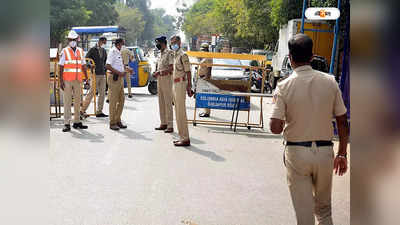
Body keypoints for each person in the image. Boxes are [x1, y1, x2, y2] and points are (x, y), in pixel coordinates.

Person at [269, 33, 349, 225]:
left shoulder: (284, 86)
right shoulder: (330, 82)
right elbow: (342, 121)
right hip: (324, 153)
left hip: (297, 154)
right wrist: (342, 154)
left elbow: (275, 127)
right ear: (312, 57)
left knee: (304, 216)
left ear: (290, 58)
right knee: (324, 211)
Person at [59, 30, 89, 132]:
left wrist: (87, 78)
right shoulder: (65, 51)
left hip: (78, 80)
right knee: (67, 102)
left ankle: (77, 122)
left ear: (77, 40)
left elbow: (83, 65)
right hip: (67, 80)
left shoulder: (80, 51)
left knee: (77, 102)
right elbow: (61, 66)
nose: (72, 41)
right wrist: (60, 81)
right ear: (68, 40)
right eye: (71, 39)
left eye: (74, 39)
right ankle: (67, 123)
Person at [170, 35, 192, 146]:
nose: (172, 45)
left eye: (174, 42)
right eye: (171, 43)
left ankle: (185, 138)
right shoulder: (174, 55)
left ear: (179, 43)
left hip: (181, 84)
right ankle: (182, 136)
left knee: (181, 112)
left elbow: (188, 72)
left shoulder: (183, 55)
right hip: (175, 84)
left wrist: (189, 86)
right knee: (177, 112)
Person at [106, 38, 132, 131]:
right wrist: (119, 73)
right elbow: (108, 65)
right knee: (113, 101)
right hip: (114, 78)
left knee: (122, 100)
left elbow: (120, 65)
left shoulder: (119, 52)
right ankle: (112, 122)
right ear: (118, 44)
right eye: (122, 44)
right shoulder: (112, 52)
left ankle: (117, 120)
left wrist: (128, 69)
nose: (123, 46)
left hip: (120, 78)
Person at [80, 36, 108, 118]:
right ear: (100, 41)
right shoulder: (92, 49)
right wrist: (90, 65)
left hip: (102, 73)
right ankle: (82, 110)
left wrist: (104, 69)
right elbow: (86, 60)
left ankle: (99, 111)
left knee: (102, 93)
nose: (104, 44)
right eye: (104, 42)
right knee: (91, 92)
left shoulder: (104, 50)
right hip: (95, 74)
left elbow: (105, 61)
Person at [154, 36, 175, 133]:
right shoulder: (160, 54)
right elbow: (158, 66)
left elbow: (171, 68)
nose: (157, 45)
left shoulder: (169, 53)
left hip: (167, 79)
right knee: (161, 102)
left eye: (158, 43)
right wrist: (156, 72)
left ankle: (170, 125)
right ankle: (163, 123)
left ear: (163, 43)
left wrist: (161, 72)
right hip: (159, 80)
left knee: (167, 103)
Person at [198, 43, 213, 118]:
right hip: (202, 77)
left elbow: (209, 69)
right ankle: (205, 111)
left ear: (207, 49)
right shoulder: (205, 57)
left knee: (206, 96)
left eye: (204, 49)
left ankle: (207, 112)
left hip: (205, 78)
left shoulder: (208, 57)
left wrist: (206, 79)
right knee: (203, 96)